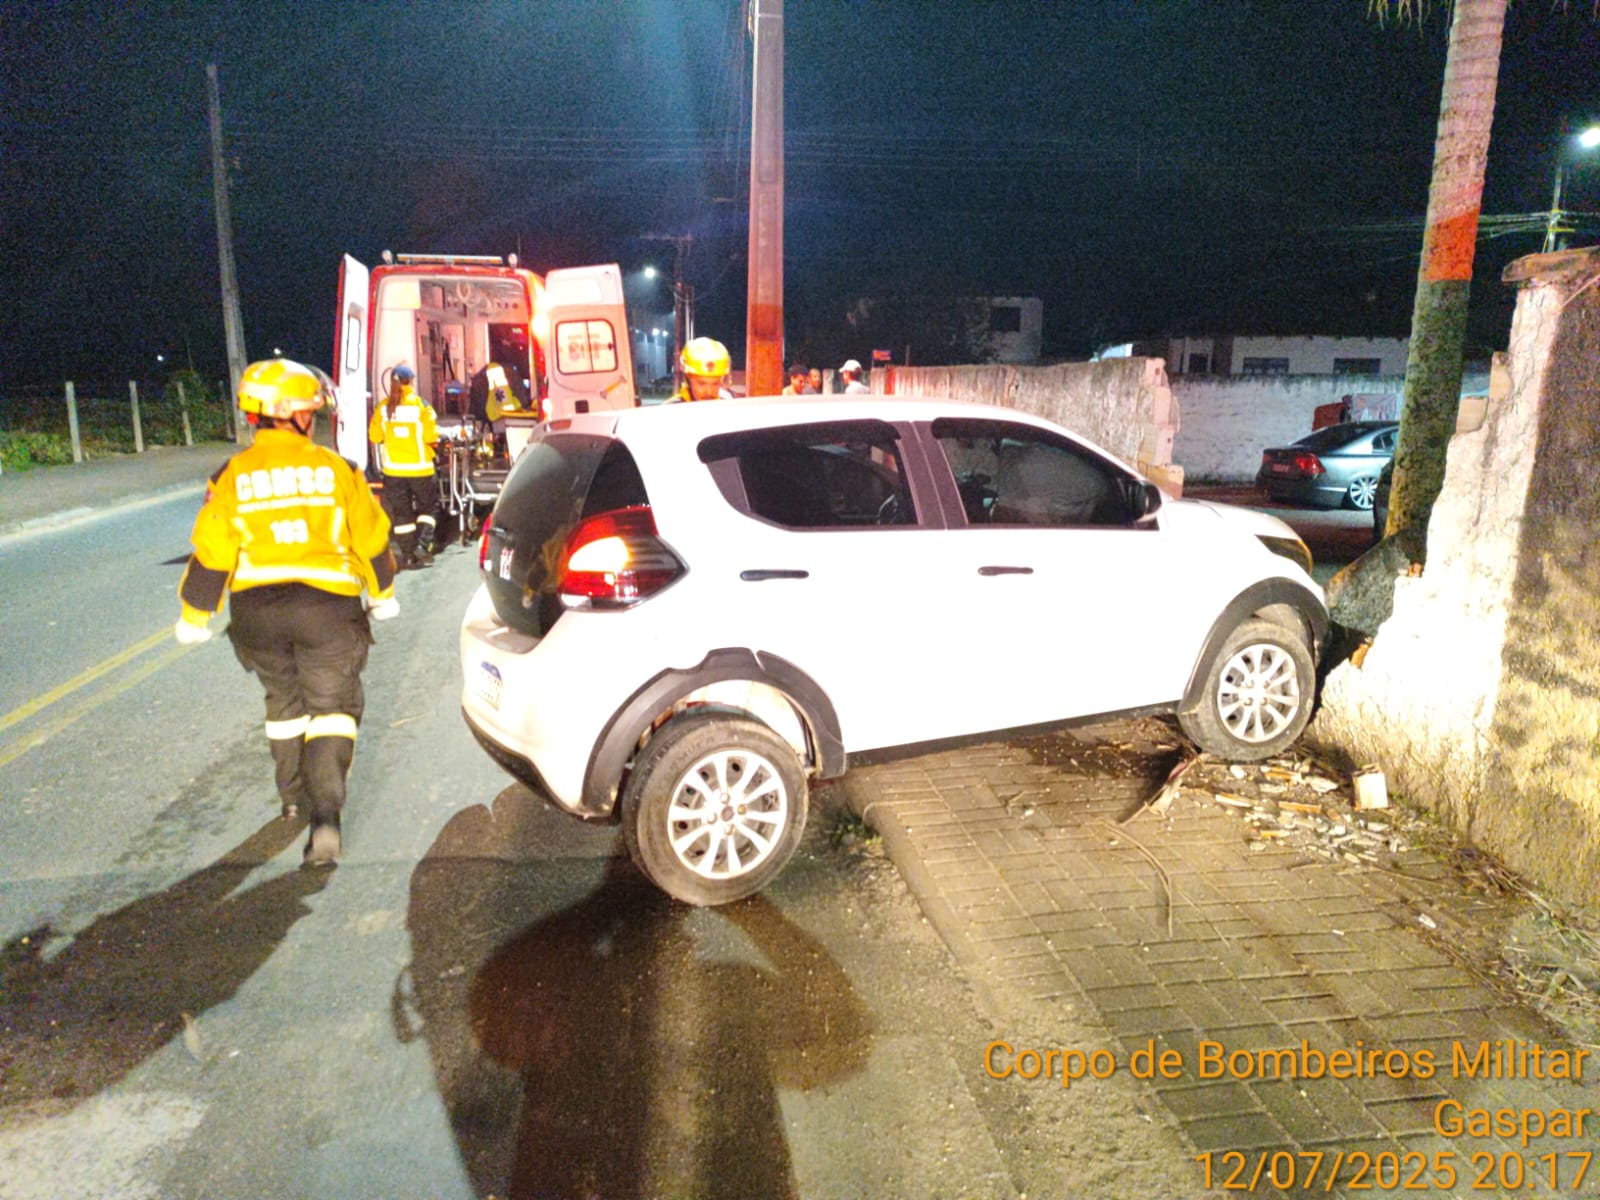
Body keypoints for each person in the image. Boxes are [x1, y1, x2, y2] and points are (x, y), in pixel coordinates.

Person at [174, 358, 398, 867]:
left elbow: (212, 551)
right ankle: (325, 820)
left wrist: (195, 613)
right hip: (326, 611)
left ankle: (292, 797)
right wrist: (382, 595)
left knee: (284, 705)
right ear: (295, 415)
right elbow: (371, 537)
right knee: (333, 708)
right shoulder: (337, 469)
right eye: (310, 412)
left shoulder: (230, 475)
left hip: (256, 613)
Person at [368, 364, 440, 568]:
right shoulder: (421, 406)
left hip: (393, 471)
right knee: (429, 507)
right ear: (411, 382)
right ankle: (423, 546)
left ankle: (408, 556)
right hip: (420, 469)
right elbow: (431, 435)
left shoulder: (383, 408)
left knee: (402, 515)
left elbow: (375, 436)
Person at [666, 337, 733, 402]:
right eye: (701, 384)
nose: (709, 392)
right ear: (688, 379)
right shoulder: (672, 410)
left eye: (715, 384)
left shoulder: (728, 406)